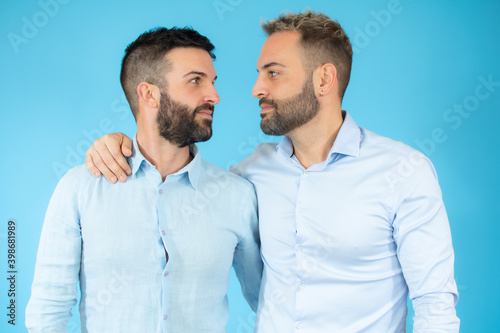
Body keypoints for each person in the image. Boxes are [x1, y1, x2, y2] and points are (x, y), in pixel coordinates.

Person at [85, 10, 460, 332]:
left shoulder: (403, 171)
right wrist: (120, 143)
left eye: (274, 73)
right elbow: (175, 165)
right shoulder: (248, 176)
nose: (256, 88)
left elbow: (435, 304)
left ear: (324, 80)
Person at [26, 27, 262, 333]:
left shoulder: (238, 195)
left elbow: (269, 300)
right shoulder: (81, 188)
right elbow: (48, 310)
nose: (214, 96)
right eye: (195, 81)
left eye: (212, 82)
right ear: (149, 93)